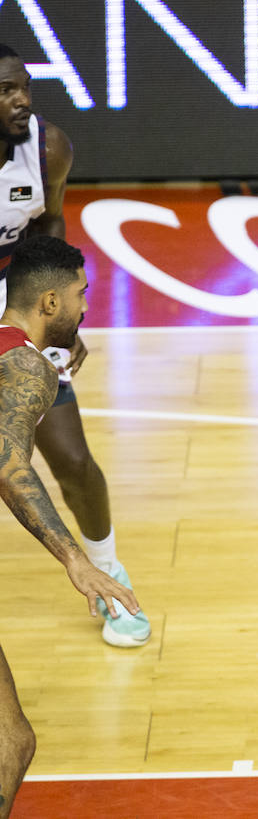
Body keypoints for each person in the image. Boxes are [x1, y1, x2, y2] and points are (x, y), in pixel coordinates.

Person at [0, 44, 150, 647]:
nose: (21, 100)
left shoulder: (49, 146)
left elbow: (50, 226)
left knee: (73, 459)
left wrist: (58, 318)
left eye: (24, 87)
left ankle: (108, 570)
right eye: (6, 90)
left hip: (14, 302)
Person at [0, 235, 142, 817]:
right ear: (51, 303)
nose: (88, 308)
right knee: (10, 744)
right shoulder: (25, 367)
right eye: (82, 295)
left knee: (13, 743)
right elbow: (7, 460)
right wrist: (75, 558)